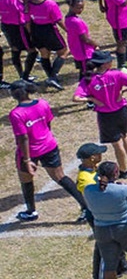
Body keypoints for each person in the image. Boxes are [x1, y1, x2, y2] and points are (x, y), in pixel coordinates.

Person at [8, 80, 90, 222]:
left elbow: (23, 138)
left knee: (26, 179)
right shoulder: (42, 103)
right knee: (60, 177)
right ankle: (86, 207)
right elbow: (47, 123)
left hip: (29, 152)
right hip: (49, 145)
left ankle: (31, 211)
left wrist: (27, 160)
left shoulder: (16, 114)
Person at [73, 51, 127, 177]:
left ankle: (123, 170)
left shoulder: (88, 79)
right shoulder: (117, 74)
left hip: (106, 115)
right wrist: (123, 91)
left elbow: (76, 98)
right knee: (125, 135)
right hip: (121, 111)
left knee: (116, 143)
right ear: (105, 64)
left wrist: (92, 99)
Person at [77, 143, 127, 279]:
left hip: (102, 211)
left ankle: (122, 267)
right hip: (96, 213)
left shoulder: (93, 170)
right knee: (103, 246)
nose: (102, 155)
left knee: (116, 240)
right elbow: (94, 195)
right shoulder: (84, 177)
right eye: (99, 153)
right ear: (92, 158)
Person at [23, 0, 68, 90]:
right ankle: (52, 77)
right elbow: (58, 20)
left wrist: (31, 33)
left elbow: (27, 21)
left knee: (44, 53)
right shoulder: (50, 4)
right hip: (49, 30)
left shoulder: (29, 3)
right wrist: (69, 30)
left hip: (36, 30)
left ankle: (50, 76)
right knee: (64, 51)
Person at [1, 0, 36, 85]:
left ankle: (21, 74)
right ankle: (25, 76)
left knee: (15, 49)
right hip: (18, 27)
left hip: (6, 26)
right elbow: (25, 10)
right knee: (32, 51)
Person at [63, 0, 98, 82]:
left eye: (82, 7)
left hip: (77, 49)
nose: (81, 10)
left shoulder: (68, 18)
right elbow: (85, 38)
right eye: (78, 8)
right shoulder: (76, 22)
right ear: (71, 6)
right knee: (86, 72)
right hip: (83, 52)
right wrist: (95, 44)